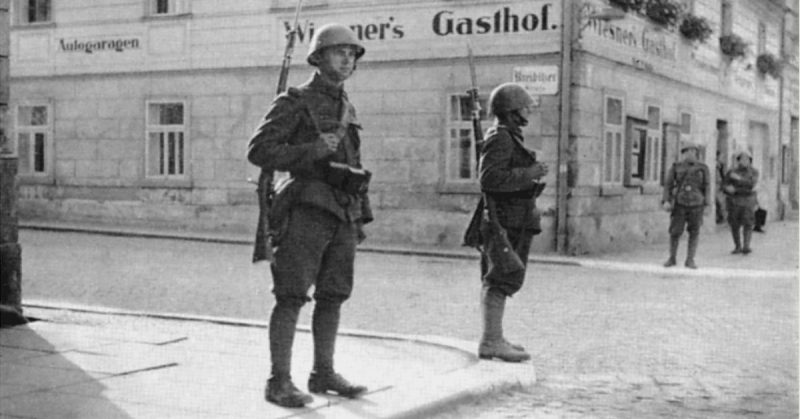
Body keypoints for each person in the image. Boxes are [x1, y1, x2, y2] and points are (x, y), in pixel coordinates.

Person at [246, 23, 372, 408]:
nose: (347, 59)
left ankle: (323, 372)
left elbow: (353, 162)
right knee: (291, 296)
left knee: (333, 295)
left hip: (342, 213)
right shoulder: (295, 100)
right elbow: (260, 150)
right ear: (318, 58)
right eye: (339, 52)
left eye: (352, 54)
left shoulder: (346, 105)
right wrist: (312, 150)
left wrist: (360, 214)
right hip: (306, 209)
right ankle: (279, 381)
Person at [475, 83, 548, 362]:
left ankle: (495, 337)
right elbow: (490, 179)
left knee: (504, 277)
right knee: (500, 277)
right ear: (511, 110)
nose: (527, 111)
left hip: (514, 218)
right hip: (504, 220)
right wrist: (530, 172)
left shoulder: (508, 137)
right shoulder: (501, 138)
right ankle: (491, 340)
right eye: (524, 107)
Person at [661, 143, 711, 269]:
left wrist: (708, 204)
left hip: (697, 204)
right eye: (688, 151)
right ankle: (672, 258)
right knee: (675, 231)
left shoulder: (703, 168)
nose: (691, 154)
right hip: (680, 203)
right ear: (683, 153)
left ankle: (690, 260)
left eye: (693, 151)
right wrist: (666, 200)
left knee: (694, 232)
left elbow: (707, 187)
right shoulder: (676, 167)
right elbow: (668, 185)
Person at [723, 151, 759, 254]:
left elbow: (751, 185)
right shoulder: (731, 172)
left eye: (747, 159)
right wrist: (727, 189)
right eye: (742, 159)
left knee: (748, 224)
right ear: (738, 160)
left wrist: (738, 180)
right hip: (734, 202)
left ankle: (746, 246)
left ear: (750, 161)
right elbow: (724, 184)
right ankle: (737, 246)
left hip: (748, 201)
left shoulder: (754, 172)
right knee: (734, 225)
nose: (744, 161)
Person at [715, 151, 727, 224]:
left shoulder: (721, 166)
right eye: (722, 157)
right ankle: (722, 218)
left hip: (719, 185)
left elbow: (723, 176)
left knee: (721, 202)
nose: (724, 159)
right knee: (721, 202)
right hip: (716, 186)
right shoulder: (716, 165)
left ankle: (722, 218)